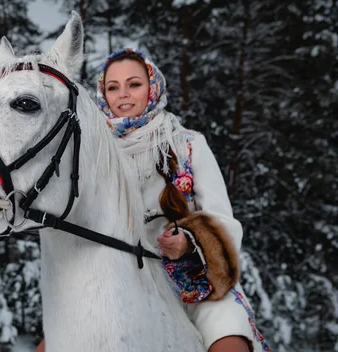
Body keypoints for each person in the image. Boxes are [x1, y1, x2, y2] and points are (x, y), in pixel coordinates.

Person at [92, 48, 272, 352]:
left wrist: (189, 241)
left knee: (230, 343)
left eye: (134, 84)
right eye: (112, 87)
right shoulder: (94, 153)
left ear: (153, 87)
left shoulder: (187, 143)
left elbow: (222, 219)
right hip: (119, 287)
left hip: (195, 282)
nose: (123, 94)